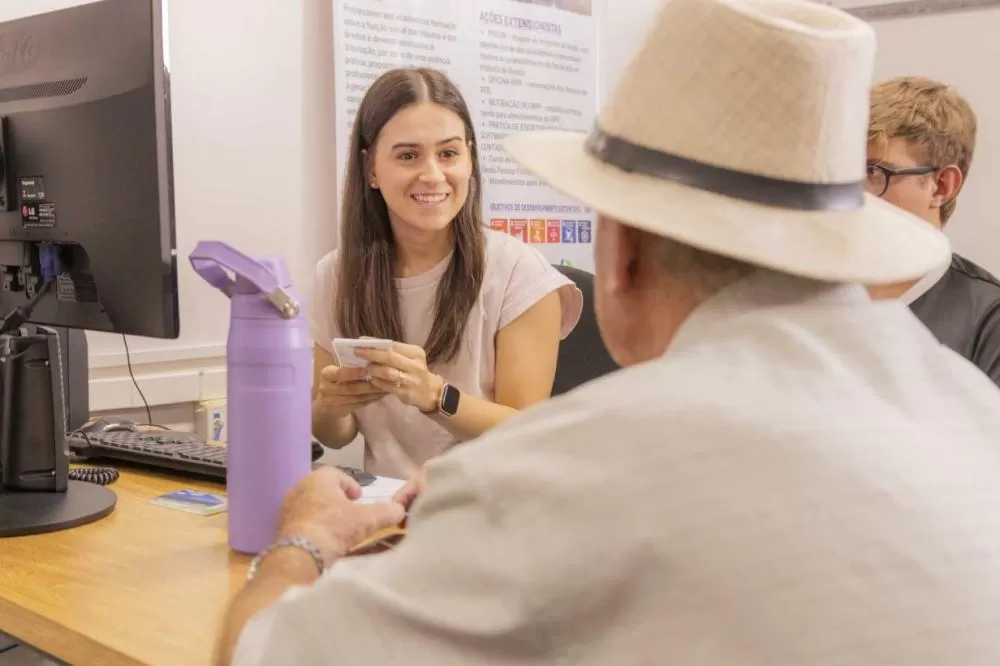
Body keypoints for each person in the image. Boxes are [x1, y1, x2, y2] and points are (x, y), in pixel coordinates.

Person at [217, 0, 1000, 663]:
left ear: (619, 252)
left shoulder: (564, 473)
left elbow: (261, 654)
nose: (433, 174)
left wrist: (307, 536)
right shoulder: (970, 409)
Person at [310, 67, 582, 479]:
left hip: (490, 509)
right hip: (387, 510)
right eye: (408, 156)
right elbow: (335, 435)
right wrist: (331, 406)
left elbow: (526, 433)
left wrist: (435, 395)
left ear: (469, 158)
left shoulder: (519, 271)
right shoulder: (335, 275)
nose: (433, 175)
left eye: (449, 153)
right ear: (370, 170)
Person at [866, 76, 1000, 385]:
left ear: (942, 186)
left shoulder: (988, 319)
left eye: (874, 172)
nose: (853, 195)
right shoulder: (811, 292)